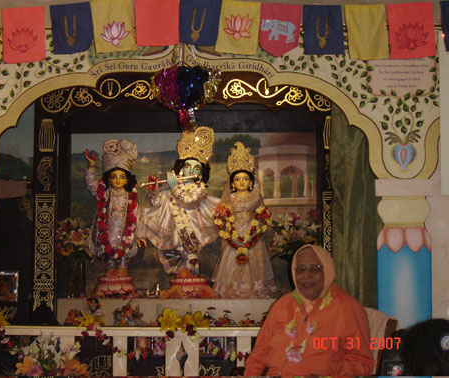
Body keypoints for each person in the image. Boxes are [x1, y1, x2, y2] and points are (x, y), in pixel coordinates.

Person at [244, 244, 374, 376]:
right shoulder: (282, 305)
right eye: (301, 269)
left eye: (315, 269)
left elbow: (362, 363)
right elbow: (259, 353)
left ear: (327, 270)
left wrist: (326, 373)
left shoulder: (347, 308)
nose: (307, 275)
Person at [140, 126, 219, 276]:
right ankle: (180, 281)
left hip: (192, 227)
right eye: (188, 166)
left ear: (201, 173)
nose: (191, 171)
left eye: (196, 168)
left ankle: (193, 281)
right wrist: (152, 190)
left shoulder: (200, 189)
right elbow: (155, 202)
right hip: (173, 227)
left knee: (191, 258)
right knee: (177, 259)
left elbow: (189, 201)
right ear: (181, 168)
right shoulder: (172, 184)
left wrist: (174, 187)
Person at [211, 142, 278, 298]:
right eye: (238, 179)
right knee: (231, 261)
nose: (241, 182)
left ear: (251, 181)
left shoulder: (255, 197)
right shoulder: (230, 198)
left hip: (252, 235)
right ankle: (230, 290)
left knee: (255, 261)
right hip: (233, 235)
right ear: (233, 183)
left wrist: (257, 227)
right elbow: (223, 214)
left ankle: (256, 290)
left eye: (245, 178)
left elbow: (263, 214)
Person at [84, 138, 146, 295]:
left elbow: (138, 216)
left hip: (126, 231)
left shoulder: (131, 197)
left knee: (124, 255)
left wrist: (140, 235)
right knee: (110, 254)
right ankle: (111, 271)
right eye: (114, 177)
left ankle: (123, 272)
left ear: (127, 179)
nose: (118, 180)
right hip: (108, 230)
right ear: (108, 179)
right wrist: (91, 166)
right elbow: (91, 185)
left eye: (122, 177)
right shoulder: (105, 193)